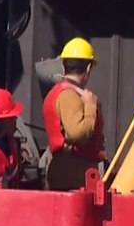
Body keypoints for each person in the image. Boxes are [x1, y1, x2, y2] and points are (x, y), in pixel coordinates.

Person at [42, 37, 106, 191]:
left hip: (68, 174)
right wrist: (91, 107)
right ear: (89, 68)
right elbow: (77, 134)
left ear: (64, 67)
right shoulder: (69, 95)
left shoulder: (59, 92)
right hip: (74, 178)